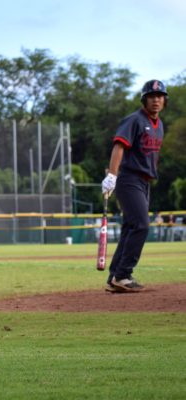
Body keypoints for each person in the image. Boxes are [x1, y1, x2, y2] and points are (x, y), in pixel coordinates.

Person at [102, 79, 167, 293]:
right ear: (144, 99)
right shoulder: (135, 120)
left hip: (144, 181)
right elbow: (119, 146)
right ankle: (123, 275)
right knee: (141, 225)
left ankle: (115, 276)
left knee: (130, 227)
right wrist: (112, 175)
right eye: (151, 96)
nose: (156, 100)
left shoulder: (159, 125)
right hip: (129, 179)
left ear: (164, 100)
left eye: (159, 96)